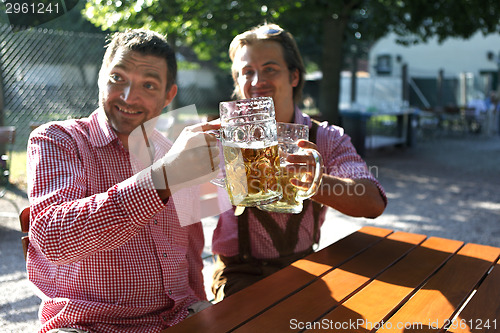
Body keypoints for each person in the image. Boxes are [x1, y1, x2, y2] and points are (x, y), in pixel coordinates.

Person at [26, 29, 220, 333]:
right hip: (88, 325)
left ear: (170, 96)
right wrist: (164, 177)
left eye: (149, 85)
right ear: (101, 76)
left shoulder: (175, 152)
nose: (129, 96)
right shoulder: (59, 139)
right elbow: (52, 239)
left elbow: (191, 253)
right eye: (118, 78)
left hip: (180, 318)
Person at [211, 23, 387, 301]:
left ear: (294, 76)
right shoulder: (217, 137)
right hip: (238, 277)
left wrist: (315, 181)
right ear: (237, 81)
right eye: (247, 72)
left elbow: (373, 202)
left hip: (305, 267)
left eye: (270, 69)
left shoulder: (325, 137)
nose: (257, 81)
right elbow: (178, 220)